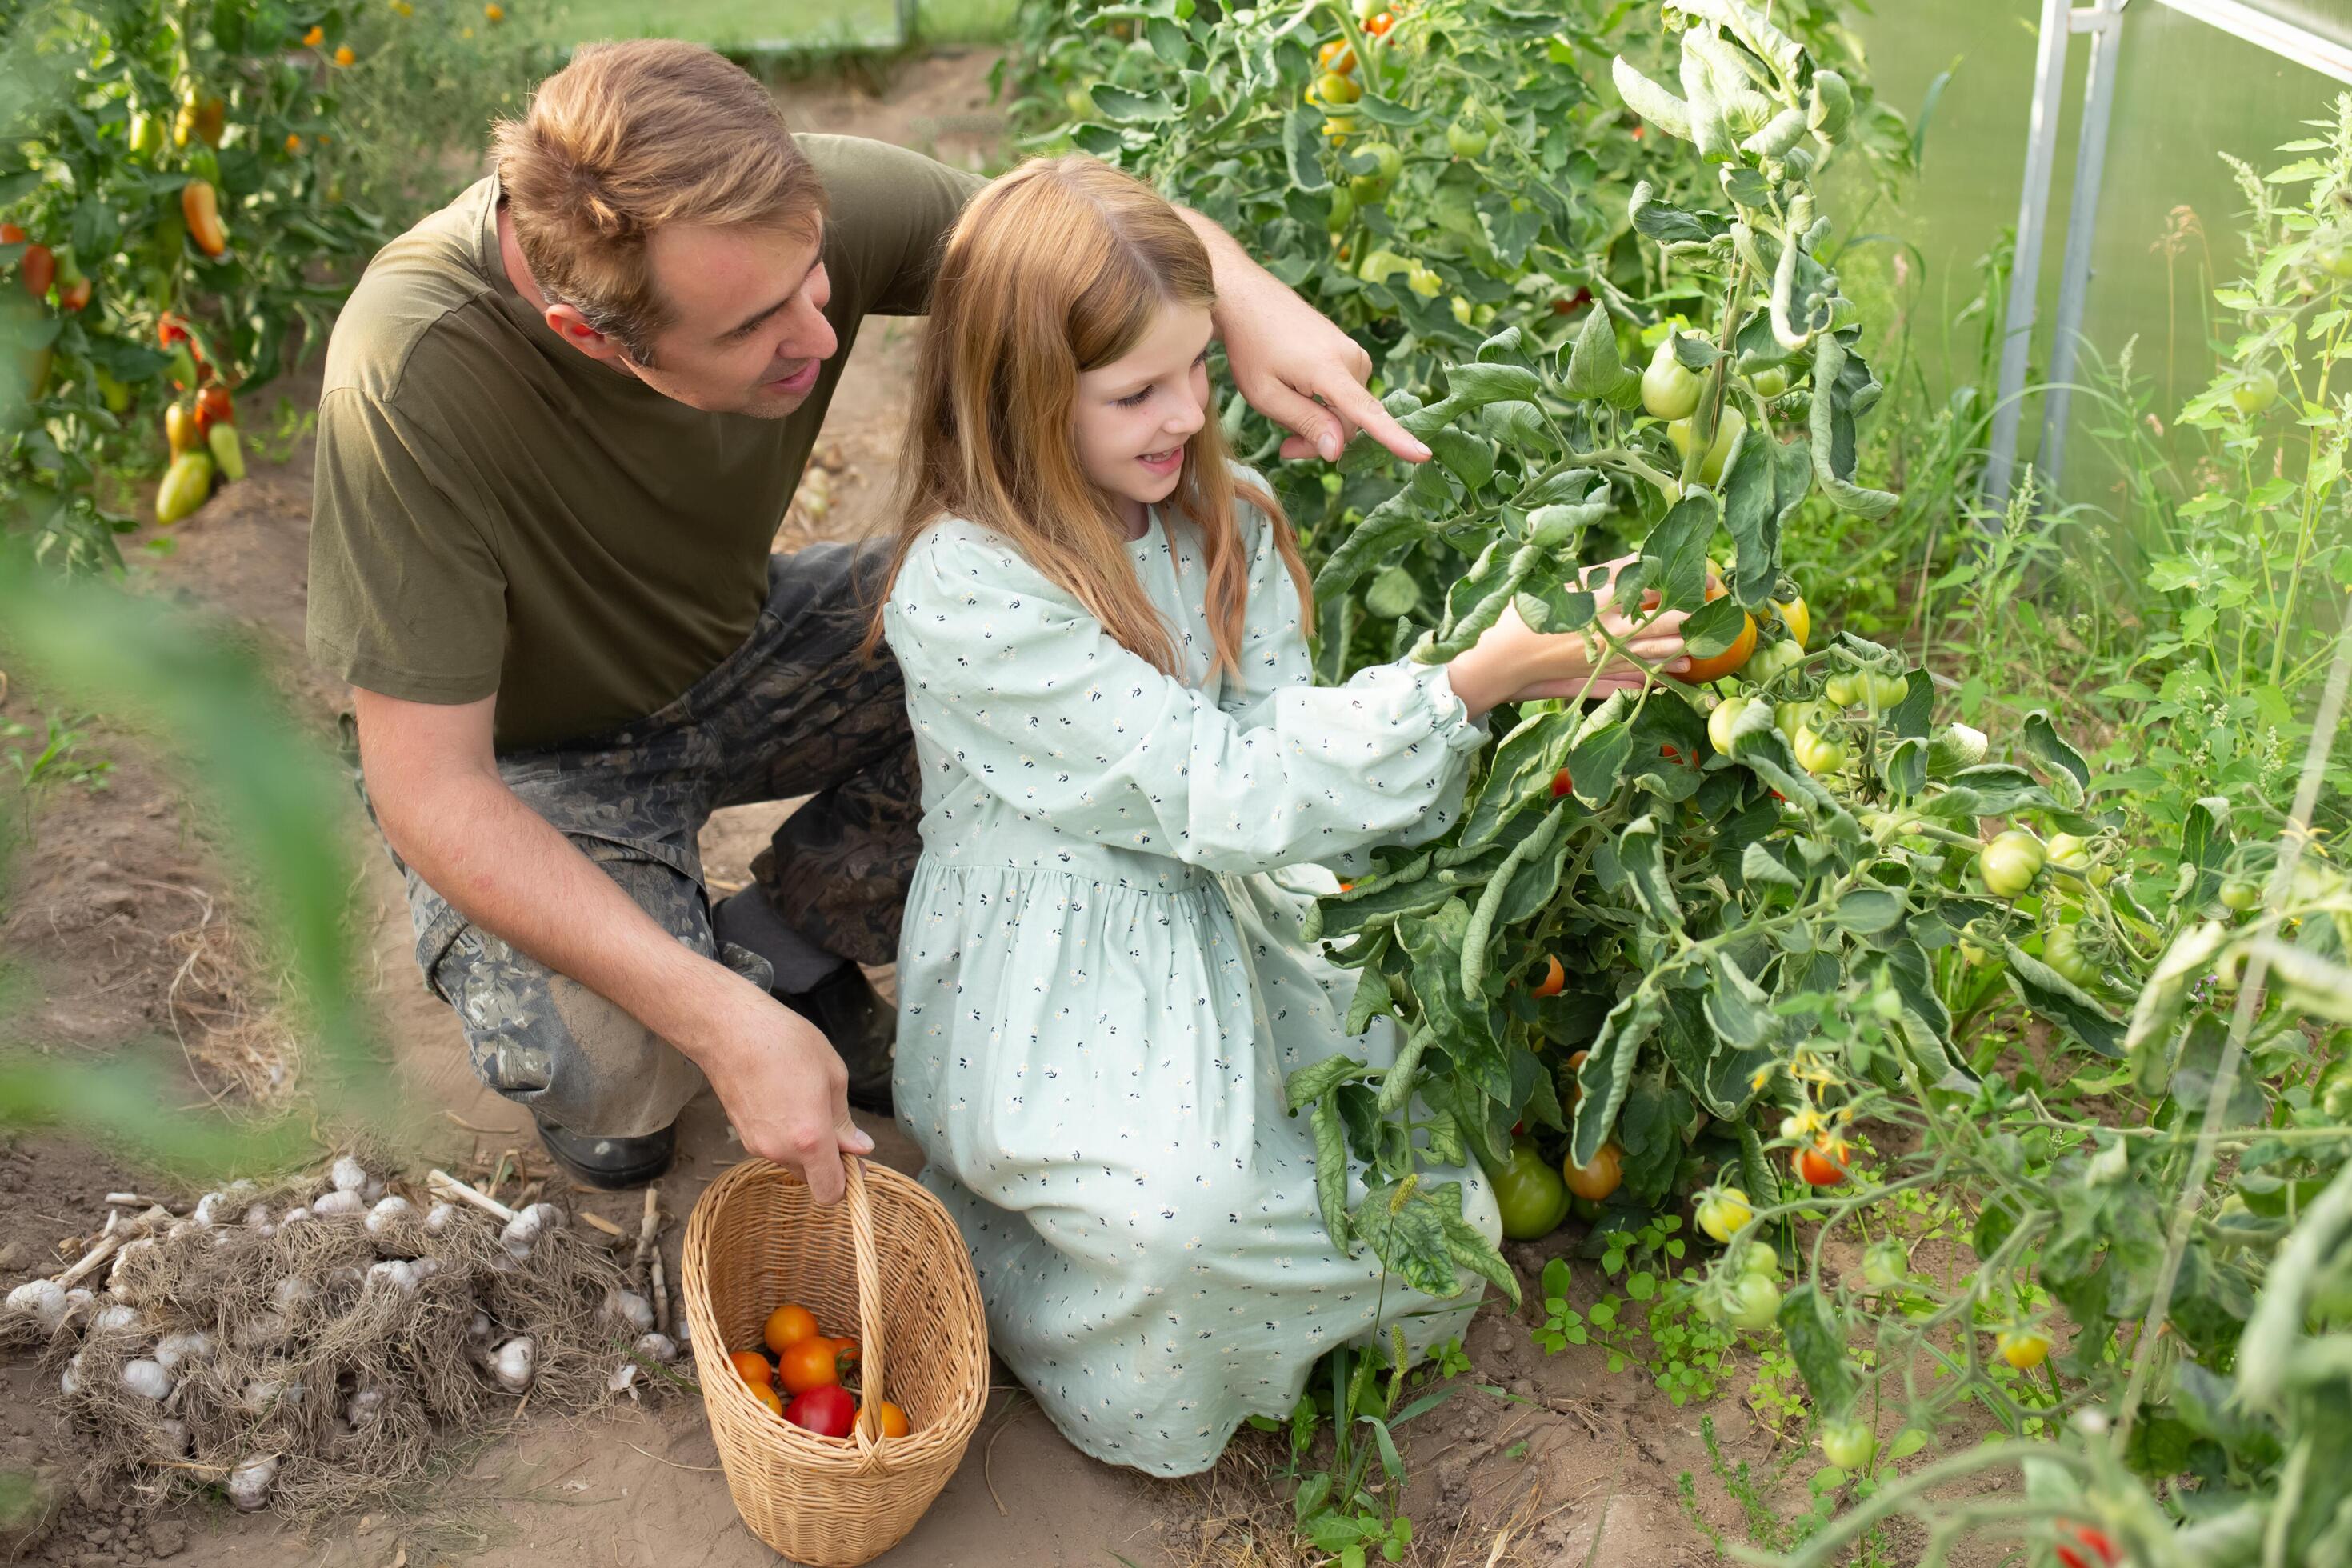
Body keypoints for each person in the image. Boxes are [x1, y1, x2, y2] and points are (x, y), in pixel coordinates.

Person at [306, 41, 1438, 1200]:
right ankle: (700, 965)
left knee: (1054, 631)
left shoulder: (775, 217)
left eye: (815, 276)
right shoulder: (410, 380)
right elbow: (430, 787)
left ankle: (785, 932)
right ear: (593, 336)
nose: (822, 332)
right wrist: (715, 1019)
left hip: (730, 648)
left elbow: (1071, 234)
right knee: (618, 1071)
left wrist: (1247, 304)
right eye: (753, 328)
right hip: (530, 753)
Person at [868, 156, 1694, 1475]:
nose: (1189, 413)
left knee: (1421, 1194)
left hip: (1240, 919)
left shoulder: (1219, 510)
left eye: (1200, 370)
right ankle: (1025, 1285)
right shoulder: (965, 589)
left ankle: (1232, 1311)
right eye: (1137, 391)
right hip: (1064, 973)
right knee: (1182, 1223)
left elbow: (1278, 743)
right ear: (1019, 400)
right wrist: (1474, 680)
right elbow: (1222, 785)